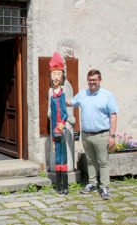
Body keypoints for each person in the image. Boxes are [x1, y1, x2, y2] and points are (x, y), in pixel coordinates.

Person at [68, 69, 118, 200]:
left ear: (100, 80)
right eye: (90, 80)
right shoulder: (83, 94)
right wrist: (58, 94)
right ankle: (92, 184)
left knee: (103, 162)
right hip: (86, 135)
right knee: (90, 161)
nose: (92, 82)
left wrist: (112, 136)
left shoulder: (107, 95)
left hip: (102, 135)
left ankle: (105, 187)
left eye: (94, 80)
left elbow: (113, 116)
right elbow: (71, 102)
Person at [47, 52, 69, 195]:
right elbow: (50, 111)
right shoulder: (51, 92)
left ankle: (65, 186)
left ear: (62, 76)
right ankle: (58, 186)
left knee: (63, 155)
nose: (55, 77)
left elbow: (65, 112)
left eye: (58, 74)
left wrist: (62, 124)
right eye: (53, 74)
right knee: (57, 155)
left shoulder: (63, 92)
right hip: (54, 129)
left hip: (60, 127)